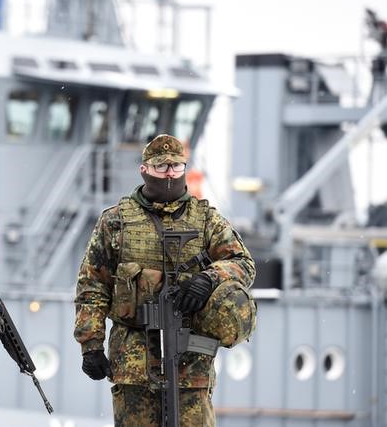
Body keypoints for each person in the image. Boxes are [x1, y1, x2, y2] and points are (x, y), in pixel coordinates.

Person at [74, 134, 257, 426]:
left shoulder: (207, 220)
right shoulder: (115, 221)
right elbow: (92, 286)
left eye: (176, 166)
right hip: (133, 360)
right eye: (161, 167)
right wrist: (91, 345)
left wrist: (209, 279)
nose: (170, 173)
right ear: (145, 169)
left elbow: (243, 263)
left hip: (191, 359)